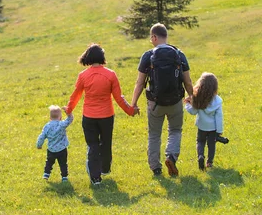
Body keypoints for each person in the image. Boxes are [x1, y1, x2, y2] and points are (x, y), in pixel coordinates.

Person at [64, 44, 136, 185]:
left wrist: (69, 109)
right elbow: (118, 98)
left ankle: (95, 178)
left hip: (89, 117)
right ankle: (105, 168)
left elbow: (76, 95)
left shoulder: (83, 75)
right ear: (102, 57)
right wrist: (130, 111)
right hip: (107, 116)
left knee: (93, 145)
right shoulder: (110, 74)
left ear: (88, 57)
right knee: (106, 142)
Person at [131, 23, 194, 177]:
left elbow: (140, 83)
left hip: (155, 103)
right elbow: (187, 81)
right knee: (175, 130)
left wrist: (133, 103)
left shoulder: (148, 56)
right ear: (166, 36)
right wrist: (191, 96)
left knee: (154, 134)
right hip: (175, 101)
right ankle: (171, 156)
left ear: (154, 37)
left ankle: (156, 168)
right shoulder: (179, 54)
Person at [184, 72, 224, 170]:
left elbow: (193, 111)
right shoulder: (217, 101)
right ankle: (209, 162)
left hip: (202, 126)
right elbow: (219, 117)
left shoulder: (198, 98)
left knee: (200, 142)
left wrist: (187, 104)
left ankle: (200, 156)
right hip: (213, 128)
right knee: (211, 145)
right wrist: (219, 131)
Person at [37, 105, 74, 182]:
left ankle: (46, 174)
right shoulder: (61, 124)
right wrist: (68, 112)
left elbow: (42, 136)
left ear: (50, 118)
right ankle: (64, 177)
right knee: (63, 164)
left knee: (49, 162)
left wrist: (39, 145)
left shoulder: (47, 126)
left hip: (51, 150)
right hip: (62, 149)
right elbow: (70, 120)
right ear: (60, 117)